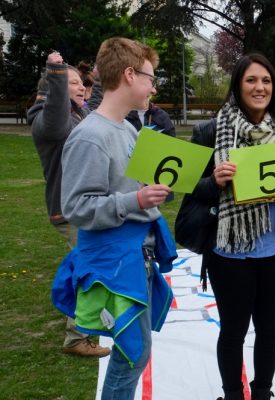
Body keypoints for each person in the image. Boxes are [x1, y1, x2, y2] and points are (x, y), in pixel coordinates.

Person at [186, 53, 275, 400]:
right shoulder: (211, 131)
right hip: (229, 250)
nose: (260, 87)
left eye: (266, 81)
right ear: (237, 86)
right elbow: (188, 187)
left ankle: (262, 393)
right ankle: (232, 395)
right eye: (251, 80)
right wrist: (213, 181)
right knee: (233, 330)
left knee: (269, 327)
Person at [57, 37, 175, 399]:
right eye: (151, 78)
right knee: (132, 354)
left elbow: (124, 187)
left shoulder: (126, 128)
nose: (153, 87)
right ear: (129, 75)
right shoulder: (90, 136)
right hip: (113, 264)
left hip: (135, 258)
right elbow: (76, 207)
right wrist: (135, 199)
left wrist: (146, 190)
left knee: (134, 353)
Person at [27, 51, 110, 358]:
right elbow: (56, 117)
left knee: (90, 264)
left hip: (82, 206)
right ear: (53, 88)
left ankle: (84, 325)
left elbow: (96, 109)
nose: (80, 88)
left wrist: (98, 81)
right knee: (89, 268)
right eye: (72, 83)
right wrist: (56, 71)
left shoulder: (77, 115)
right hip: (69, 209)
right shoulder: (47, 122)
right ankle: (76, 338)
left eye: (80, 83)